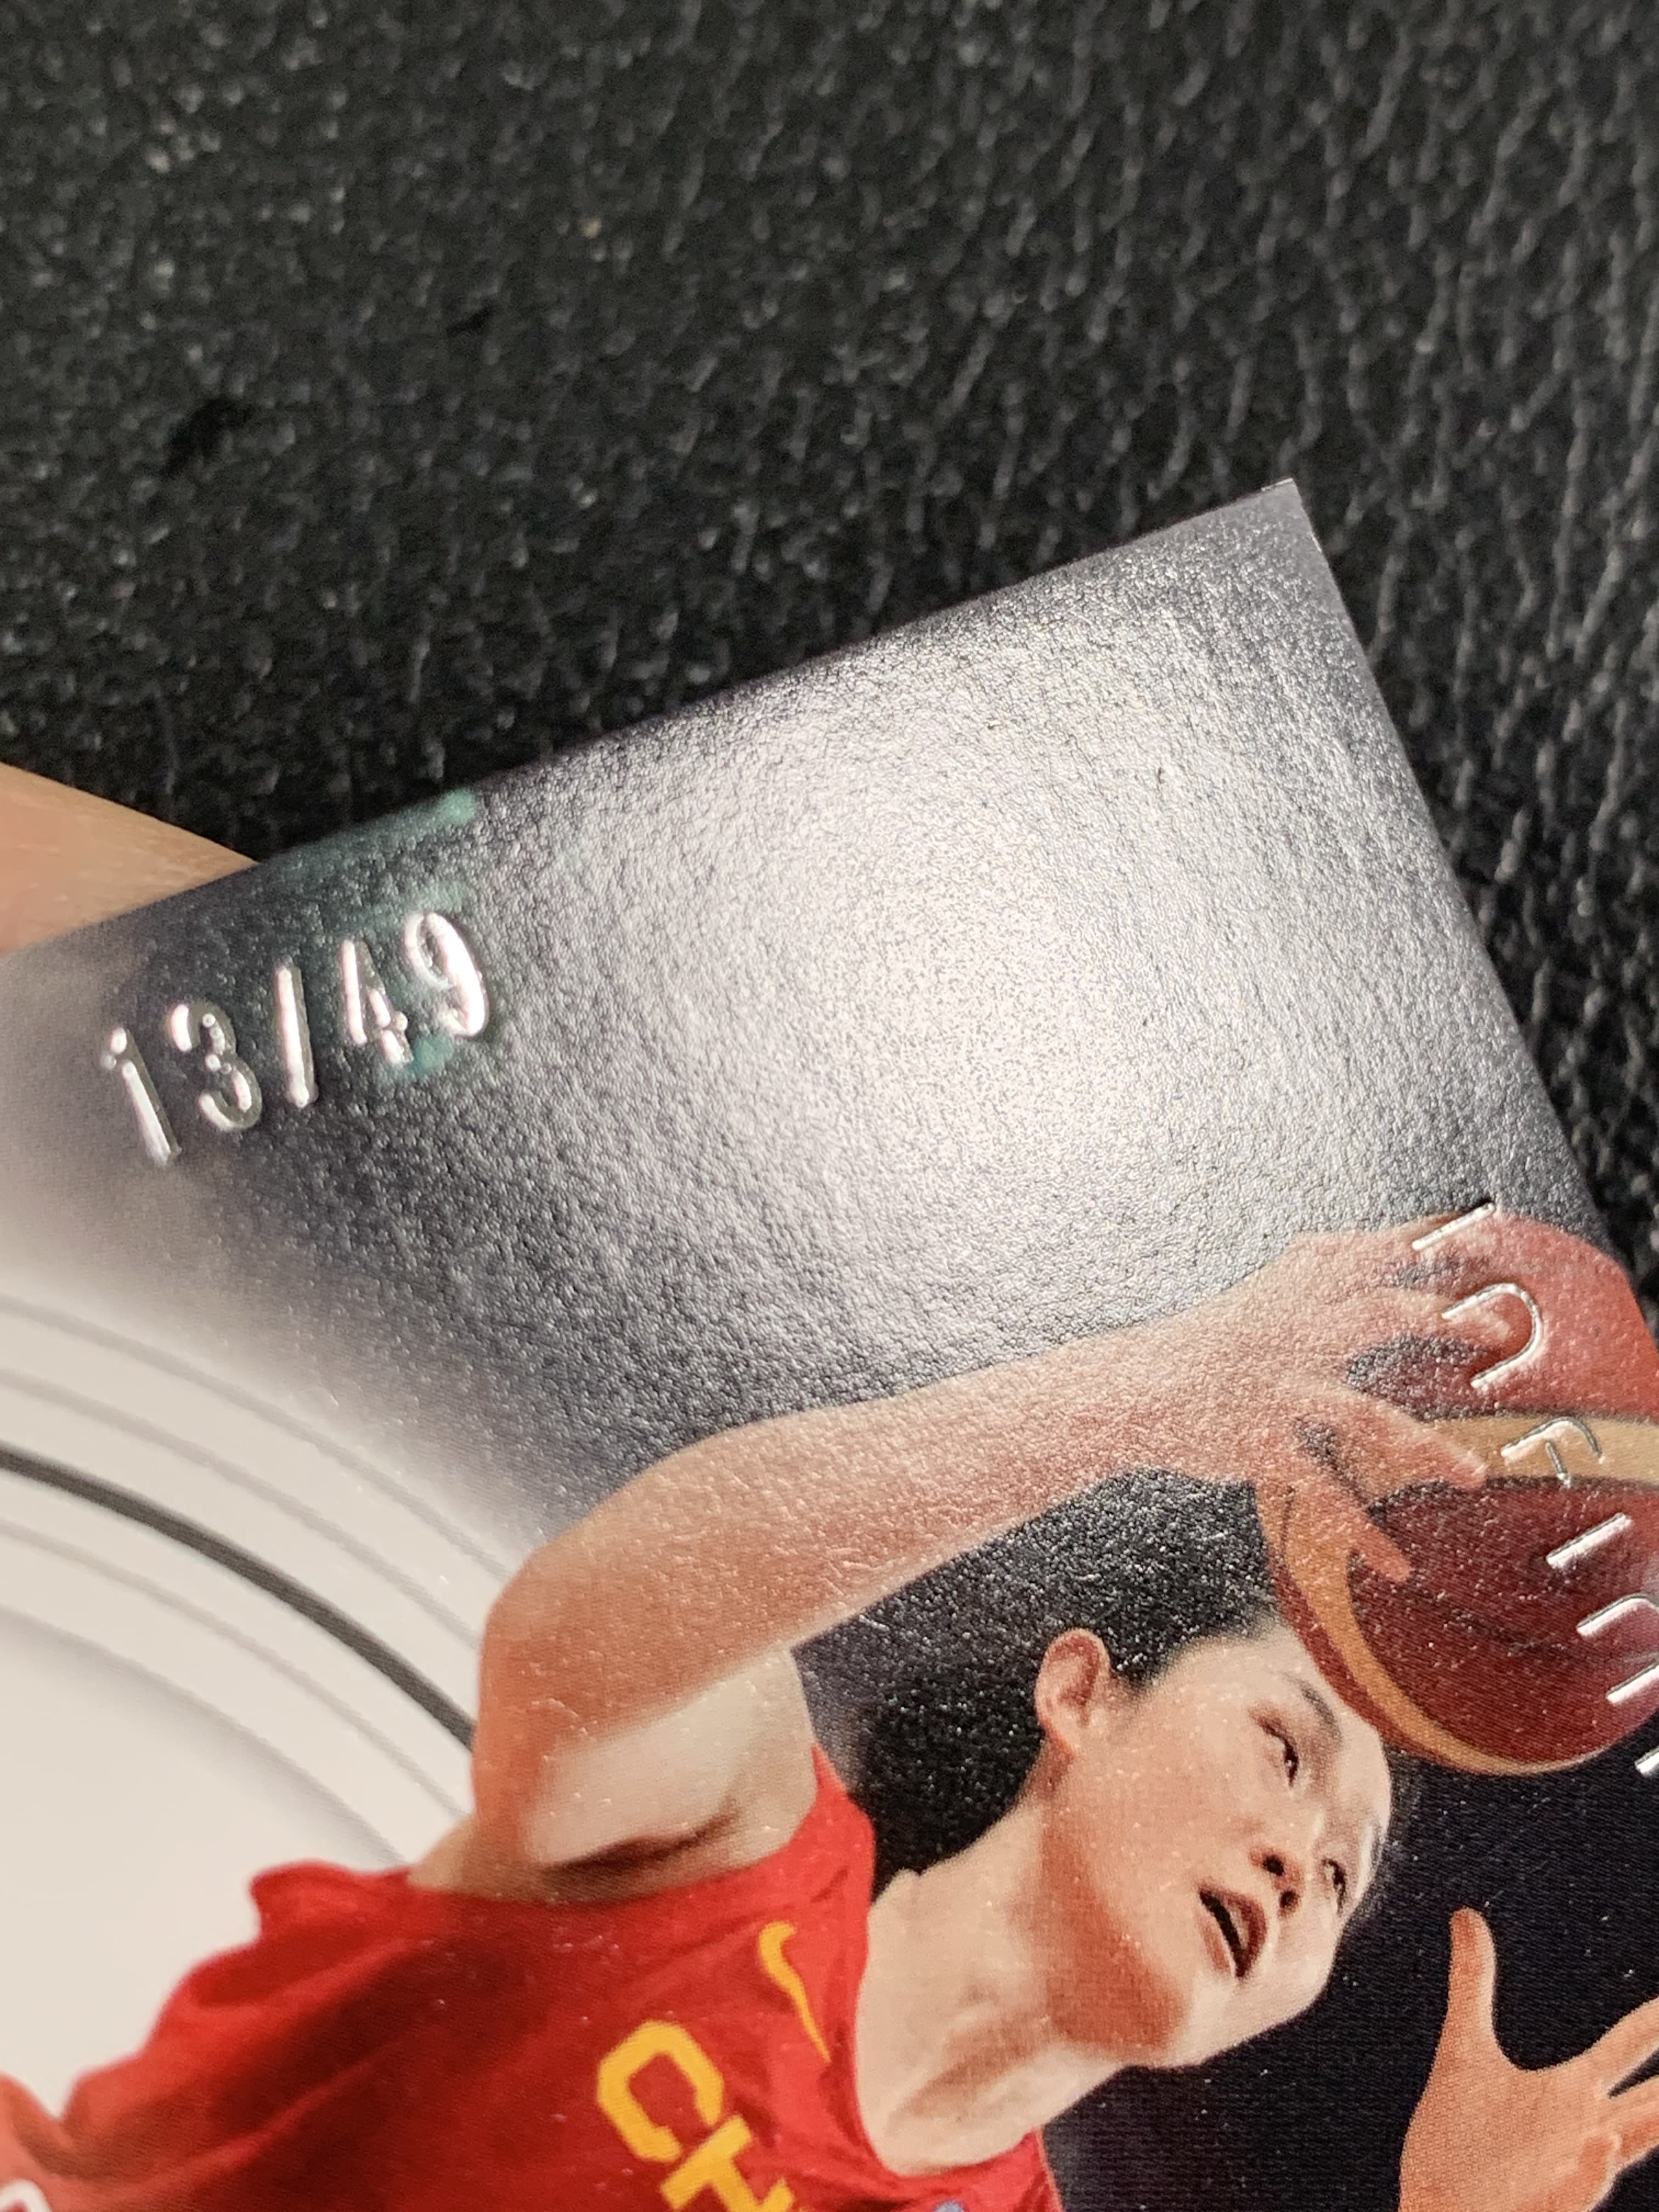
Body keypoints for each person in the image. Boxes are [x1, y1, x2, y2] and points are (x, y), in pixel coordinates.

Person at [2, 768, 1659, 2212]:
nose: (1305, 1863)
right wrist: (1142, 1393)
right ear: (1080, 1695)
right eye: (1287, 1752)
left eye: (1345, 1878)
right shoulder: (736, 1838)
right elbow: (580, 1647)